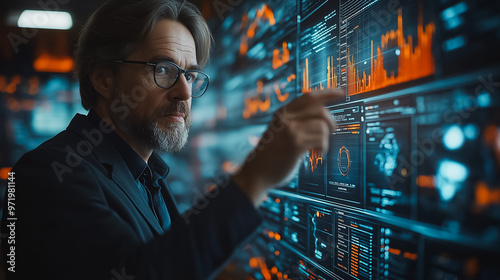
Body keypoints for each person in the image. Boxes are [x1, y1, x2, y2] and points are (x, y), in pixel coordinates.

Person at [1, 0, 342, 279]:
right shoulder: (46, 173)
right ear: (104, 78)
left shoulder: (150, 178)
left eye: (190, 74)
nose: (184, 92)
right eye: (162, 69)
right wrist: (256, 177)